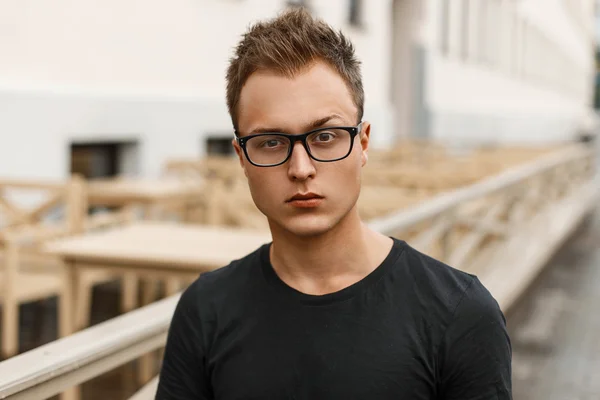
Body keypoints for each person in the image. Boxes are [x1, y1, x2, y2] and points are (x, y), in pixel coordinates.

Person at [156, 8, 512, 399]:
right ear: (242, 158)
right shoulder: (205, 310)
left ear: (362, 143)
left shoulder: (460, 315)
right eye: (271, 142)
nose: (301, 168)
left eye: (325, 136)